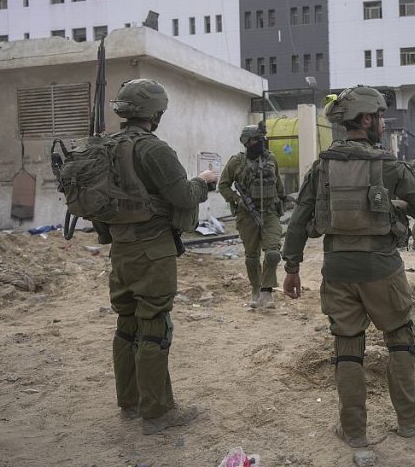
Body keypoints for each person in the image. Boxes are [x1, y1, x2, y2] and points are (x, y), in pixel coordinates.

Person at [281, 86, 415, 448]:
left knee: (347, 347)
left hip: (337, 271)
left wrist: (291, 266)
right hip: (382, 268)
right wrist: (395, 202)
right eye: (379, 117)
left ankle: (353, 431)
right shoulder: (389, 165)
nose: (382, 123)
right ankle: (410, 420)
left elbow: (300, 219)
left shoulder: (322, 166)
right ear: (366, 120)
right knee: (399, 338)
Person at [96, 78, 215, 435]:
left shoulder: (103, 147)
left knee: (126, 325)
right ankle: (158, 413)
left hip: (120, 249)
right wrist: (203, 181)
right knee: (154, 327)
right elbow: (182, 197)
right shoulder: (153, 149)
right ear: (154, 112)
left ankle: (129, 403)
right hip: (153, 249)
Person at [218, 124, 285, 309]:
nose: (260, 142)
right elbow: (222, 185)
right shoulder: (236, 162)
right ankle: (255, 289)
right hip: (247, 215)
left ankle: (267, 291)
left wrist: (284, 201)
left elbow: (278, 183)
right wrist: (236, 199)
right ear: (247, 142)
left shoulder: (271, 158)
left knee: (272, 253)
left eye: (261, 139)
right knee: (252, 257)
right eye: (256, 139)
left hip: (270, 212)